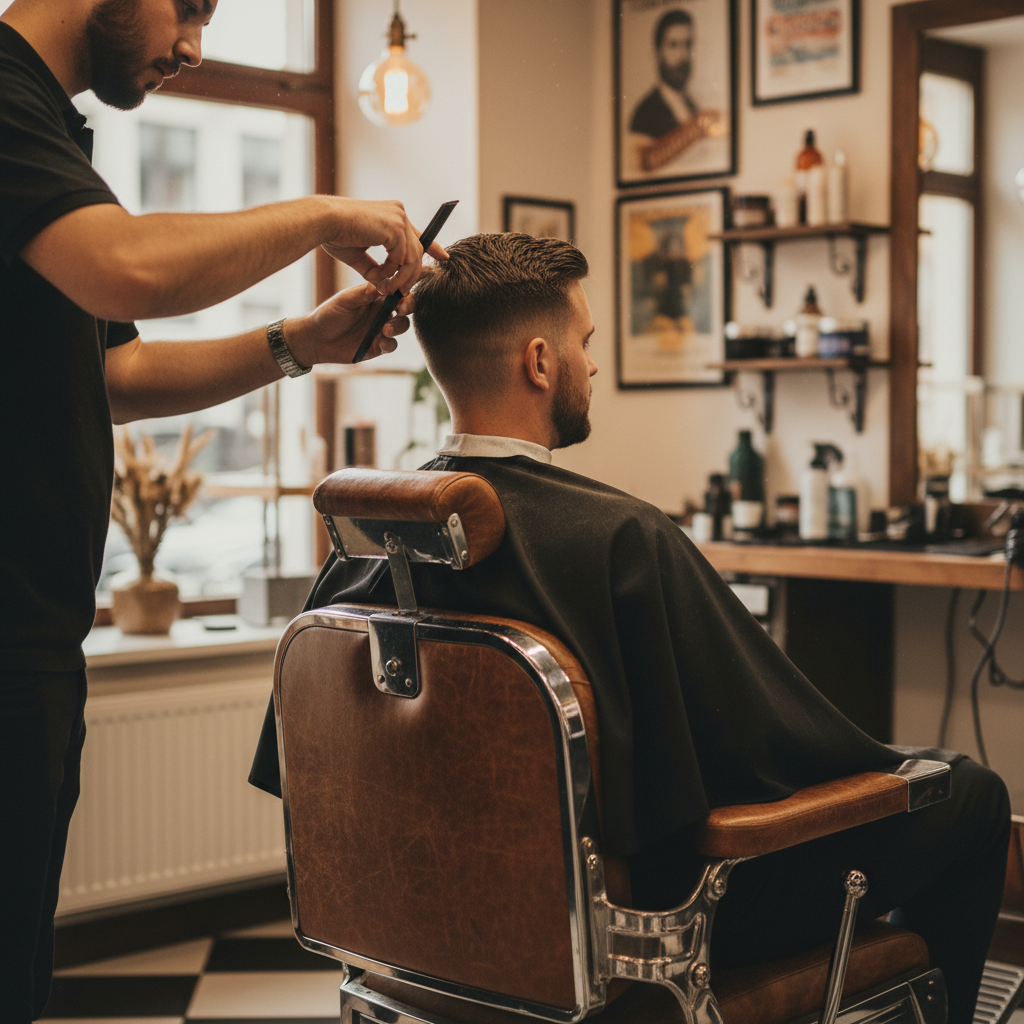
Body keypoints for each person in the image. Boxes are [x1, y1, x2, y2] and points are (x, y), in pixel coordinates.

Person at [250, 233, 1010, 1024]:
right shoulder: (622, 541)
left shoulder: (367, 540)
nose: (594, 366)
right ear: (539, 363)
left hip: (428, 927)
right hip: (642, 930)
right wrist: (898, 773)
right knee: (970, 796)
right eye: (584, 344)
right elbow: (781, 751)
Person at [0, 0, 447, 1017]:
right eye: (190, 5)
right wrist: (325, 215)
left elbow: (117, 373)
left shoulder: (52, 136)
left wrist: (300, 345)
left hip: (32, 630)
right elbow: (130, 267)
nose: (195, 46)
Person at [627, 8, 724, 173]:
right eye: (674, 45)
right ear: (658, 53)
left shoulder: (693, 105)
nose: (683, 55)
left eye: (688, 45)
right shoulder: (644, 114)